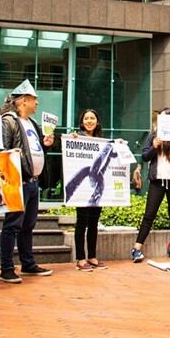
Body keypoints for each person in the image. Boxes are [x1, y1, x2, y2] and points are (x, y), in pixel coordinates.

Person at [0, 80, 55, 280]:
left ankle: (27, 263)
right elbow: (3, 149)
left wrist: (45, 145)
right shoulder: (9, 121)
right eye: (34, 99)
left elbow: (35, 149)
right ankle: (6, 268)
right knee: (12, 225)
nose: (37, 103)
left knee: (28, 225)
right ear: (23, 101)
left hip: (33, 181)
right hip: (17, 182)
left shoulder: (32, 123)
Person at [131, 109, 170, 263]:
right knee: (149, 214)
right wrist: (154, 146)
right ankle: (136, 248)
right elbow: (144, 156)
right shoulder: (153, 135)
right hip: (157, 180)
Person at [69, 108, 110, 271]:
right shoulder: (77, 138)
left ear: (97, 122)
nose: (89, 121)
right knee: (82, 222)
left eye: (92, 118)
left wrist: (118, 143)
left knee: (93, 222)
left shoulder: (102, 141)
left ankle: (92, 256)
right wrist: (72, 138)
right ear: (81, 122)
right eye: (86, 118)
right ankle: (80, 259)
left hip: (97, 189)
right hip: (82, 188)